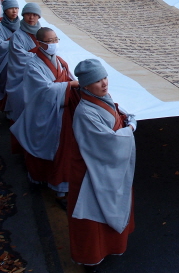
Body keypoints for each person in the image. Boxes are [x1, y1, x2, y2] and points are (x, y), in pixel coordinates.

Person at [69, 59, 136, 271]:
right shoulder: (85, 111)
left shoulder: (102, 98)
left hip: (103, 167)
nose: (104, 83)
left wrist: (122, 119)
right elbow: (109, 142)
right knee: (93, 218)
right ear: (86, 86)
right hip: (92, 171)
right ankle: (92, 257)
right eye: (97, 81)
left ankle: (110, 247)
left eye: (104, 77)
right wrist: (130, 129)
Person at [10, 27, 80, 198]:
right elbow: (44, 90)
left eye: (56, 40)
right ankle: (39, 178)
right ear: (39, 43)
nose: (53, 44)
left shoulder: (60, 61)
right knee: (44, 149)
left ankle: (61, 188)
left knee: (64, 152)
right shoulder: (33, 65)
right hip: (44, 113)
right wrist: (70, 85)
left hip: (62, 114)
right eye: (49, 41)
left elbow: (67, 76)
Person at [4, 3, 42, 123]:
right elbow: (20, 58)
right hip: (20, 76)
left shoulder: (43, 34)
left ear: (39, 17)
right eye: (28, 14)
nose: (31, 18)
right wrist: (40, 57)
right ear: (23, 16)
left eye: (34, 15)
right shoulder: (17, 36)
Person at [0, 0, 20, 109]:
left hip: (17, 63)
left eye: (16, 8)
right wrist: (14, 42)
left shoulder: (22, 26)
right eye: (11, 8)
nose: (14, 11)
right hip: (4, 64)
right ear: (5, 10)